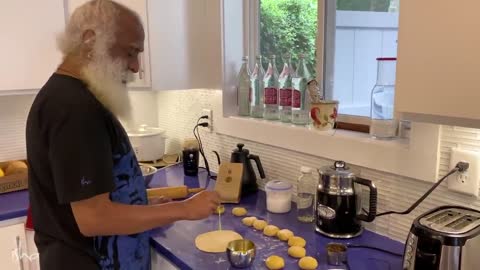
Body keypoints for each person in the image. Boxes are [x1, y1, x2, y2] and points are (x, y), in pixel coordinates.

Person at [25, 1, 220, 269]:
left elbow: (99, 197)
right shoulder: (74, 108)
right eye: (130, 53)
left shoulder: (76, 97)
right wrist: (184, 210)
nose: (136, 66)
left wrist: (146, 206)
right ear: (90, 41)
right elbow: (94, 218)